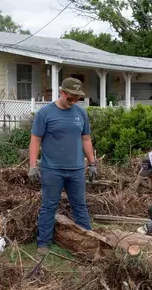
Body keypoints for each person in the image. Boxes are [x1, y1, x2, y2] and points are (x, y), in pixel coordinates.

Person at [28, 77, 98, 256]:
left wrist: (92, 163)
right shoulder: (45, 114)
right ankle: (43, 243)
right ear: (62, 92)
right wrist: (33, 165)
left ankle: (87, 240)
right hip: (52, 169)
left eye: (77, 98)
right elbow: (36, 140)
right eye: (71, 97)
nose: (74, 101)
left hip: (76, 169)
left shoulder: (80, 114)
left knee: (80, 205)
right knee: (49, 206)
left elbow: (86, 139)